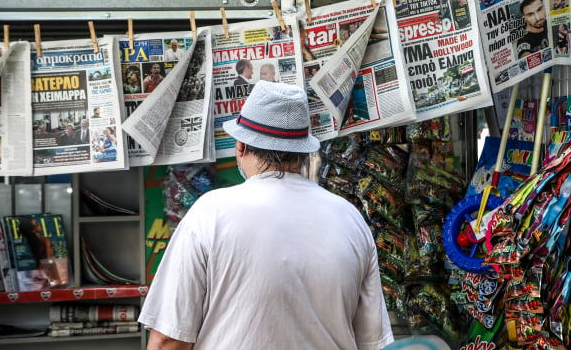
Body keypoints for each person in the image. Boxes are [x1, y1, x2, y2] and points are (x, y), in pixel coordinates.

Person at [138, 81, 394, 350]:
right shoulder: (350, 219)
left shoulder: (209, 214)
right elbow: (372, 342)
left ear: (240, 147)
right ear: (306, 152)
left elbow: (168, 340)